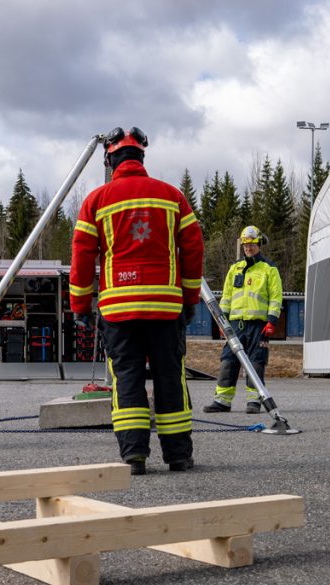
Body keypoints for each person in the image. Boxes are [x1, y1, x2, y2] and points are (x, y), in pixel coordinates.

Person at [69, 127, 204, 475]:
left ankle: (134, 456)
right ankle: (178, 456)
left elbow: (82, 258)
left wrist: (80, 305)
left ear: (110, 160)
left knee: (126, 378)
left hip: (118, 310)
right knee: (170, 377)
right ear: (141, 158)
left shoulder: (96, 201)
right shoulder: (172, 196)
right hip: (165, 307)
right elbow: (193, 247)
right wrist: (189, 299)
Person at [202, 225, 283, 414]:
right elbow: (227, 297)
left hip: (259, 325)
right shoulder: (234, 269)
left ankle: (254, 401)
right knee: (228, 360)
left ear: (259, 244)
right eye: (246, 244)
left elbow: (276, 297)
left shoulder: (269, 269)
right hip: (236, 324)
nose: (248, 247)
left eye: (252, 244)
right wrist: (221, 322)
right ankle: (222, 400)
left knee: (256, 362)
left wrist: (272, 320)